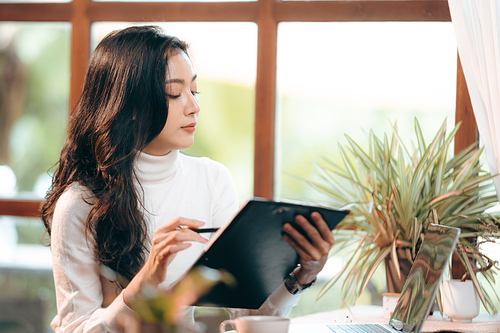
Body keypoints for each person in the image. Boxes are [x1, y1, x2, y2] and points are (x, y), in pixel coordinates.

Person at [41, 25, 335, 332]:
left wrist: (301, 276)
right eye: (174, 93)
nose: (195, 106)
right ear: (130, 106)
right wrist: (144, 282)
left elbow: (247, 316)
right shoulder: (80, 205)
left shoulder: (212, 180)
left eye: (193, 91)